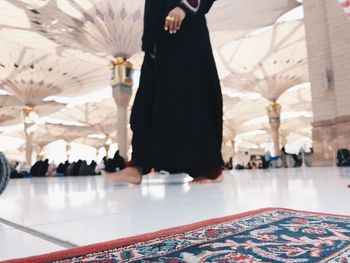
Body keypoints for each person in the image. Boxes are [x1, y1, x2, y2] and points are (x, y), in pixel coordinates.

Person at [103, 0, 224, 184]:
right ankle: (136, 167)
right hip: (157, 44)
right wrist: (149, 42)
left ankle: (211, 170)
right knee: (146, 103)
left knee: (191, 100)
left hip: (186, 38)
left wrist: (184, 7)